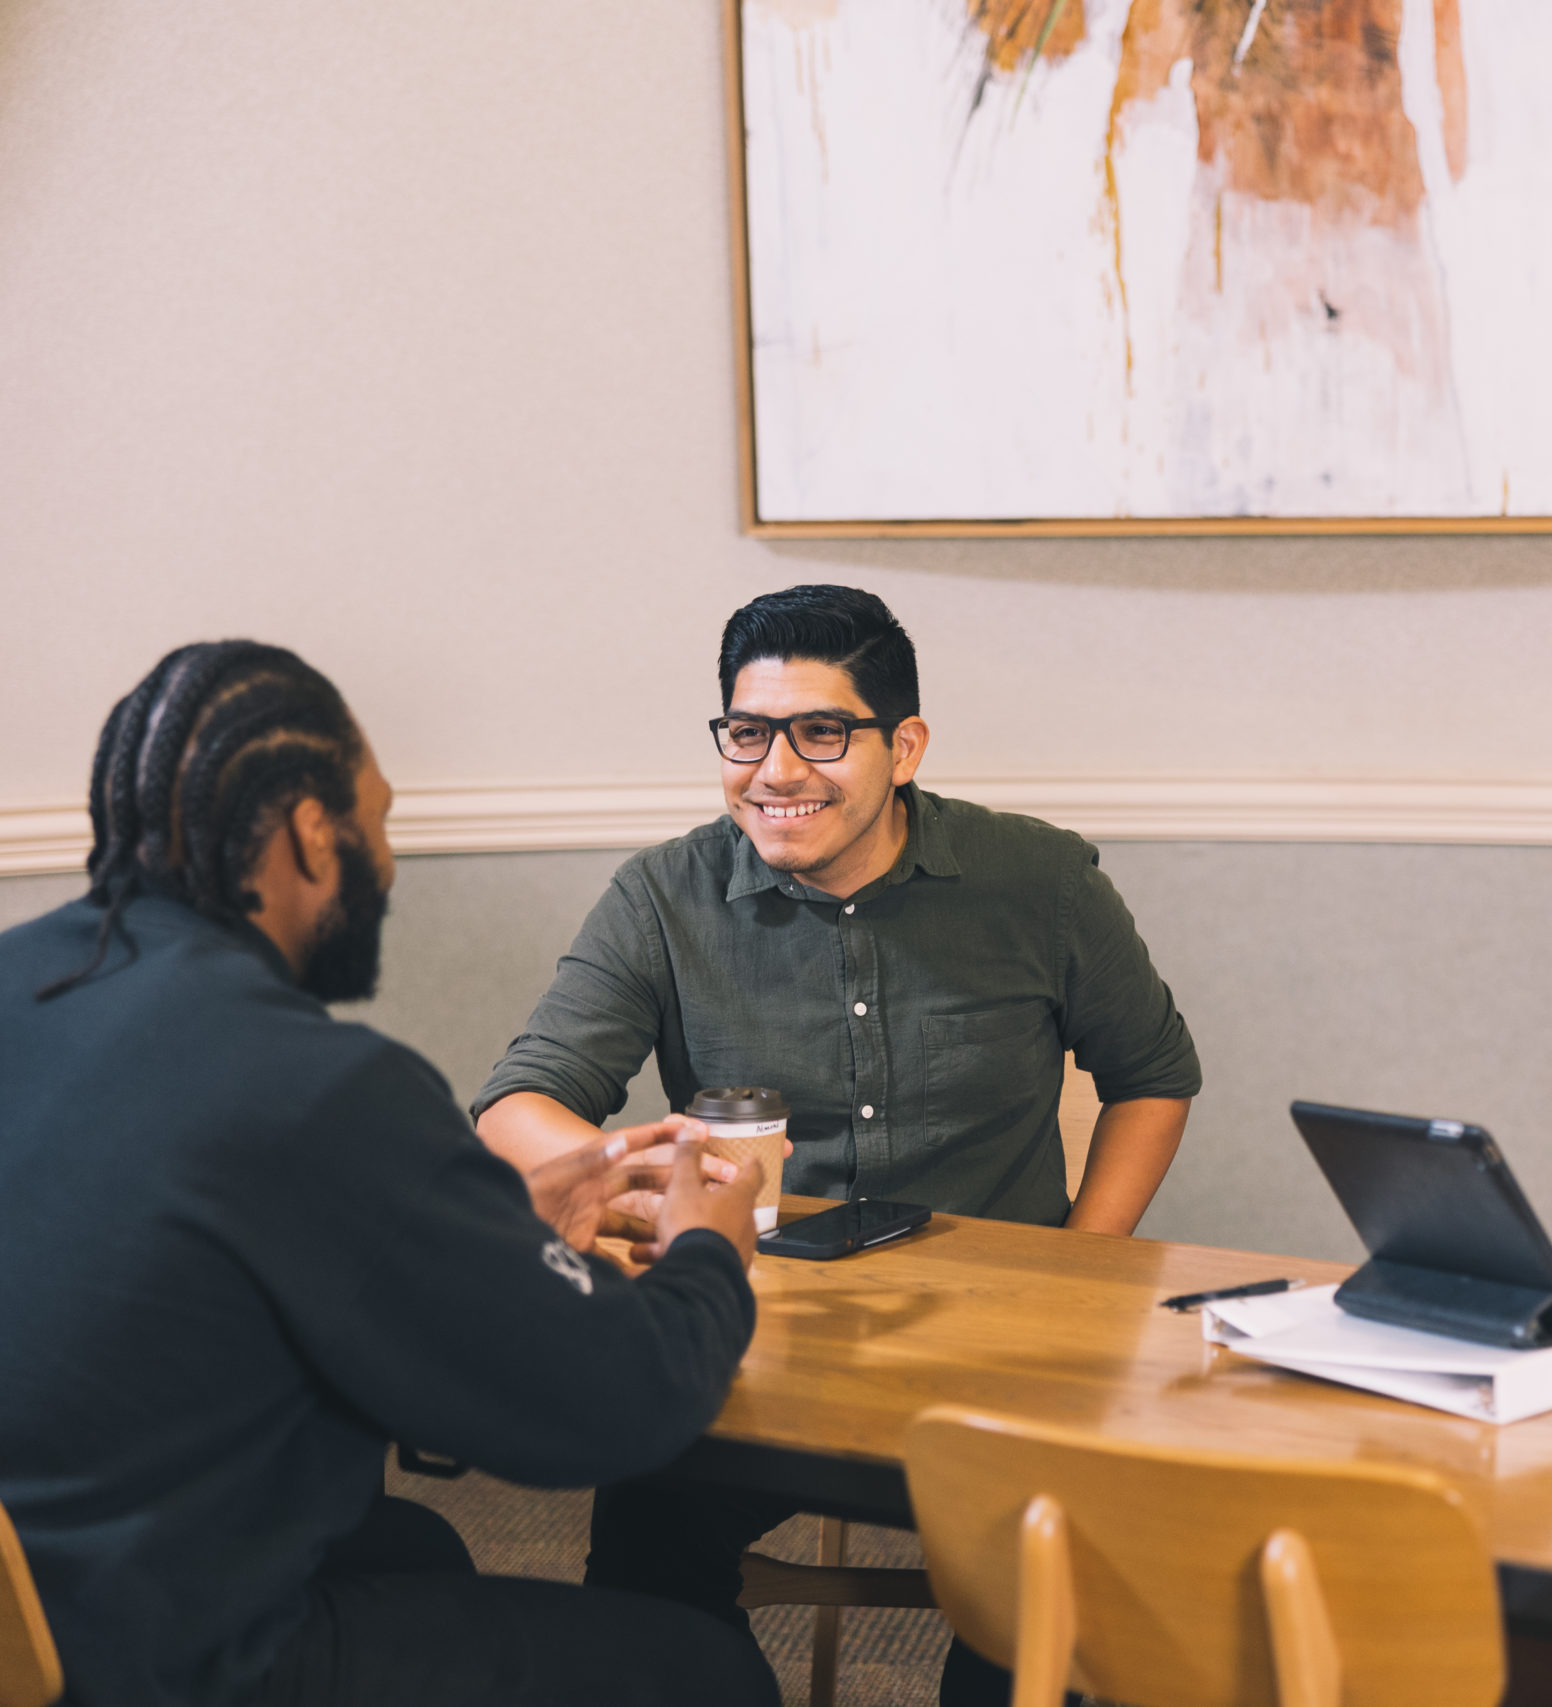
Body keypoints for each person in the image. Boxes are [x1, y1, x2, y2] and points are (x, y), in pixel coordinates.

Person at [0, 642, 778, 1707]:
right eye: (376, 824)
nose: (385, 861)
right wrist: (710, 1250)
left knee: (411, 1546)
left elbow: (186, 1265)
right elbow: (620, 1406)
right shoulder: (314, 1084)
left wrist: (479, 1230)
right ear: (307, 833)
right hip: (175, 1660)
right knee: (705, 1672)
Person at [468, 584, 1201, 1702]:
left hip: (1003, 1354)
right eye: (747, 733)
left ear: (902, 747)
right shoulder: (664, 895)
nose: (776, 771)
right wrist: (640, 1187)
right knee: (644, 1543)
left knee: (1042, 1600)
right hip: (759, 1332)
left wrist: (1085, 1265)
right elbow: (518, 1101)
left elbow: (1151, 1077)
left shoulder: (1040, 882)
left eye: (822, 733)